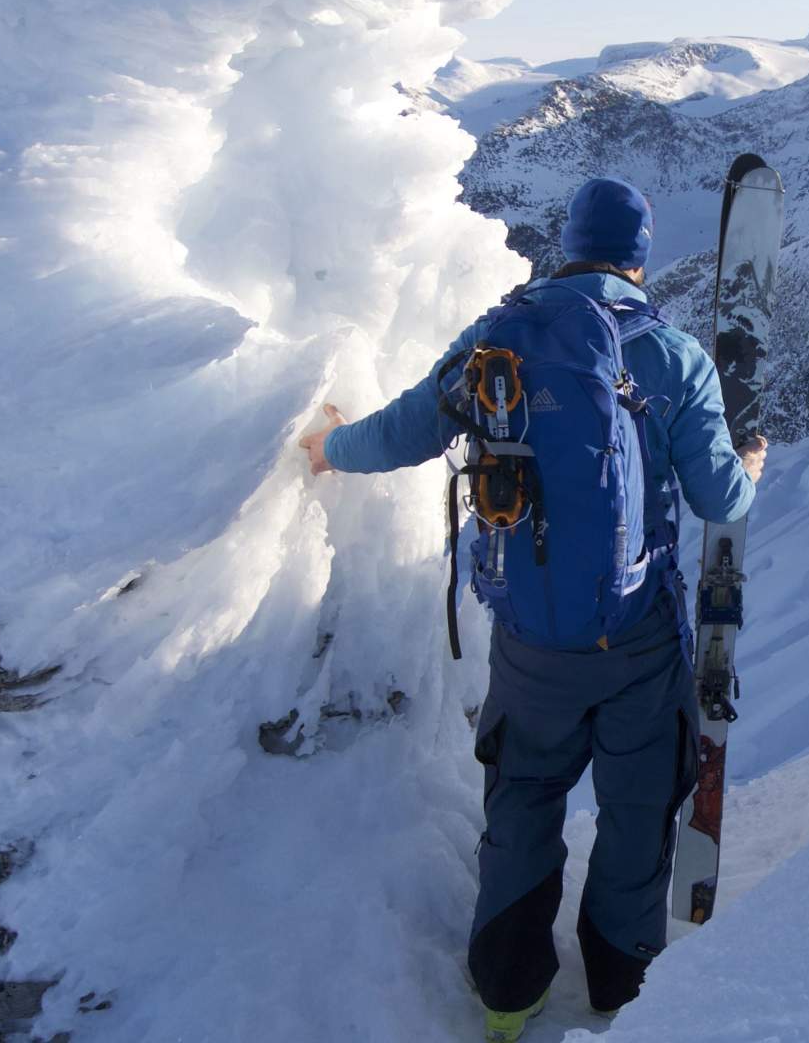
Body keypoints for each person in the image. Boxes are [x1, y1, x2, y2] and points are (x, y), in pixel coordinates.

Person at [298, 176, 765, 1042]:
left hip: (529, 638)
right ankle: (621, 990)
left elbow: (405, 431)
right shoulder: (671, 356)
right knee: (634, 806)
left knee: (524, 799)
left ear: (569, 245)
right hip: (638, 637)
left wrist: (328, 448)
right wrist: (753, 463)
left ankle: (508, 995)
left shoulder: (501, 339)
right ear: (639, 258)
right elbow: (719, 498)